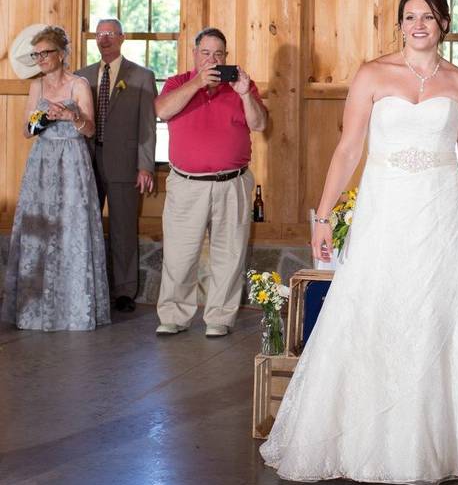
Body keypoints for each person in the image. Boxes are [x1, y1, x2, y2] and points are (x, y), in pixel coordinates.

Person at [259, 0, 458, 485]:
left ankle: (447, 441)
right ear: (398, 25)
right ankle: (368, 438)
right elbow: (348, 150)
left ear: (444, 24)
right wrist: (322, 217)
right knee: (378, 307)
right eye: (409, 17)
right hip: (385, 210)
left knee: (442, 312)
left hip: (442, 213)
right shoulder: (372, 74)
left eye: (427, 17)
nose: (418, 25)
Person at [153, 28, 266, 337]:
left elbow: (259, 123)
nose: (212, 60)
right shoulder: (178, 83)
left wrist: (244, 93)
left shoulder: (242, 86)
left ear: (226, 58)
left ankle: (220, 318)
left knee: (229, 254)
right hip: (187, 183)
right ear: (195, 54)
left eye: (219, 54)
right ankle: (174, 315)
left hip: (233, 183)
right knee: (179, 253)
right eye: (206, 53)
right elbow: (162, 110)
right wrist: (196, 83)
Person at [1, 26, 110, 331]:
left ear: (61, 54)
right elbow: (26, 131)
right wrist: (42, 118)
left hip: (73, 160)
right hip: (42, 161)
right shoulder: (36, 87)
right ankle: (34, 310)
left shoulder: (79, 84)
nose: (41, 59)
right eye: (36, 54)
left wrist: (72, 117)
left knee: (71, 231)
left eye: (45, 53)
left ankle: (73, 309)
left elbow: (90, 130)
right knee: (39, 230)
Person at [76, 19, 157, 313]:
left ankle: (124, 292)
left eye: (110, 34)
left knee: (123, 229)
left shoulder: (141, 76)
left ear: (122, 37)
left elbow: (148, 125)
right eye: (99, 34)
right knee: (86, 227)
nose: (104, 39)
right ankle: (88, 285)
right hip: (86, 161)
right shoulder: (81, 76)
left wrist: (145, 165)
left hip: (125, 164)